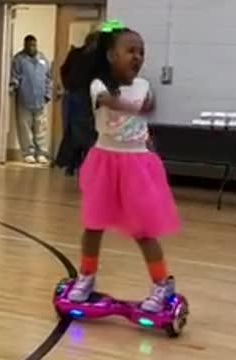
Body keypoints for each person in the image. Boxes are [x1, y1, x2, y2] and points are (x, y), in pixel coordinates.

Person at [66, 23, 180, 313]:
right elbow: (109, 102)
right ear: (110, 55)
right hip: (105, 160)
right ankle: (86, 276)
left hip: (137, 164)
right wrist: (136, 110)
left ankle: (160, 284)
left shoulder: (143, 86)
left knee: (143, 230)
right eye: (130, 50)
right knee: (93, 225)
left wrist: (146, 126)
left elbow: (143, 109)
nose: (138, 56)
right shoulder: (99, 85)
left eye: (141, 52)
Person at [56, 32, 99, 176]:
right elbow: (64, 70)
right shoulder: (75, 54)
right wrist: (67, 85)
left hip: (87, 98)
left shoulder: (97, 59)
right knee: (71, 131)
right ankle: (71, 164)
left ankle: (82, 165)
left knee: (86, 133)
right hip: (74, 96)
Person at [10, 35, 52, 165]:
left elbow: (49, 78)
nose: (32, 48)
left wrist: (48, 94)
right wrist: (12, 87)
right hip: (24, 99)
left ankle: (41, 153)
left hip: (41, 100)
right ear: (24, 45)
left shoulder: (43, 59)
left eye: (34, 45)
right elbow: (14, 77)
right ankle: (28, 153)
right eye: (29, 45)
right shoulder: (18, 59)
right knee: (25, 128)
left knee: (41, 128)